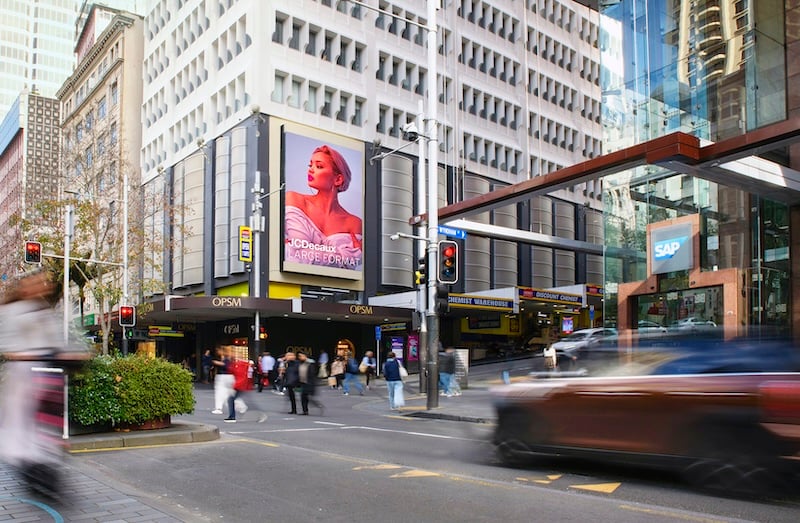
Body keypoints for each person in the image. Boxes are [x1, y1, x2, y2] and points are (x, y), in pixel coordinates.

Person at [0, 271, 91, 494]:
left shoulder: (45, 312)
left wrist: (70, 356)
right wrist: (32, 356)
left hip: (47, 374)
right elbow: (7, 347)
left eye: (43, 283)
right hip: (23, 375)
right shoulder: (11, 311)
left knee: (47, 425)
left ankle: (46, 473)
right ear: (24, 287)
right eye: (35, 283)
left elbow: (56, 343)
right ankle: (31, 471)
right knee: (23, 425)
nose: (41, 286)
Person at [284, 145, 363, 270]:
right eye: (310, 165)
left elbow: (350, 267)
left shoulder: (354, 223)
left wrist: (305, 250)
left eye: (319, 166)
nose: (311, 170)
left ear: (338, 179)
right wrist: (347, 256)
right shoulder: (294, 199)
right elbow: (297, 258)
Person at [224, 355, 267, 424]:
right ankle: (259, 414)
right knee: (246, 401)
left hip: (240, 385)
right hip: (243, 385)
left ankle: (232, 417)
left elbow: (236, 373)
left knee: (232, 399)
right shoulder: (246, 365)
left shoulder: (240, 365)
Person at [211, 347, 234, 414]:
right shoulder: (226, 358)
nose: (218, 352)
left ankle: (218, 408)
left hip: (223, 376)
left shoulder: (227, 358)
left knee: (220, 392)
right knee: (229, 393)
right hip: (228, 376)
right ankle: (240, 406)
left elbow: (225, 365)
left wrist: (215, 362)